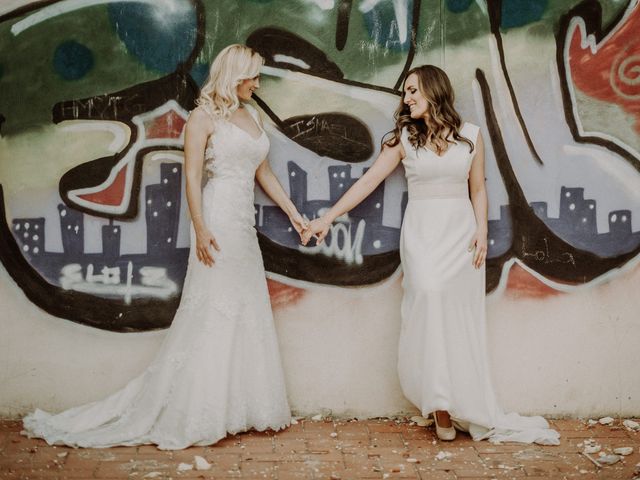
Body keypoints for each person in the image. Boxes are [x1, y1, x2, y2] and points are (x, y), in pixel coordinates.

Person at [22, 44, 306, 449]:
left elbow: (264, 173)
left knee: (243, 305)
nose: (258, 83)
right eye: (253, 76)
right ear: (235, 76)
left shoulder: (253, 116)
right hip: (217, 219)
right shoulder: (202, 118)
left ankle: (238, 406)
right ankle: (201, 409)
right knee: (212, 308)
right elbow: (191, 179)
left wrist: (293, 212)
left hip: (243, 224)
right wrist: (201, 228)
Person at [302, 65, 560, 445]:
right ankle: (438, 403)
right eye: (405, 93)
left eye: (412, 91)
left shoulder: (471, 136)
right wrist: (328, 217)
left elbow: (478, 189)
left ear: (433, 91)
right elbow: (370, 181)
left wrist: (482, 231)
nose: (406, 99)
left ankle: (458, 401)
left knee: (457, 317)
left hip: (461, 234)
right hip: (422, 232)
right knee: (428, 298)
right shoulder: (404, 138)